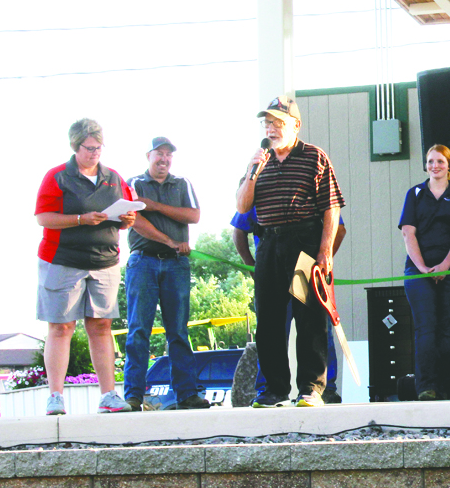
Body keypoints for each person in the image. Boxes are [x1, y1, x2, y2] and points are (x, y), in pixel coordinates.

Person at [235, 95, 345, 408]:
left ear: (295, 125)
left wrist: (325, 252)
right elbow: (243, 206)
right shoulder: (259, 161)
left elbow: (331, 208)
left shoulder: (314, 157)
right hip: (269, 245)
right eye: (267, 123)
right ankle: (274, 389)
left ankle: (311, 388)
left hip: (302, 245)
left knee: (307, 317)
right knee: (268, 322)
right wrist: (253, 171)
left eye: (277, 123)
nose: (271, 128)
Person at [34, 119, 137, 415]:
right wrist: (80, 219)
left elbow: (128, 210)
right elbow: (44, 217)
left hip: (104, 261)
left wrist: (127, 219)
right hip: (62, 260)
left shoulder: (114, 177)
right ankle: (55, 396)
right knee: (62, 327)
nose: (94, 153)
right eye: (89, 148)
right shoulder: (56, 177)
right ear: (75, 146)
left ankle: (108, 395)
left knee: (101, 325)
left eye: (98, 148)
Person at [123, 136, 208, 411]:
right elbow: (135, 220)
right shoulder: (133, 183)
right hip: (143, 263)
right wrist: (170, 240)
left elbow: (194, 216)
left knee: (179, 331)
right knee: (138, 331)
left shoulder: (182, 183)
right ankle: (133, 396)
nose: (164, 159)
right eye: (159, 154)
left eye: (168, 155)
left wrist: (156, 206)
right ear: (148, 156)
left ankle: (186, 395)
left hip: (176, 265)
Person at [231, 207, 348, 403]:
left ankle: (322, 389)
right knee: (272, 330)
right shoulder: (260, 183)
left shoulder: (311, 180)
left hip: (303, 266)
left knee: (314, 328)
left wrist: (323, 258)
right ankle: (270, 389)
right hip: (272, 266)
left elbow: (339, 227)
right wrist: (251, 264)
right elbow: (238, 228)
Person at [398, 145, 450, 401]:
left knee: (448, 328)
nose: (435, 166)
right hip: (419, 272)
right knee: (425, 329)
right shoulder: (415, 193)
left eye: (440, 161)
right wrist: (422, 269)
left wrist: (444, 266)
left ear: (448, 165)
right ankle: (426, 387)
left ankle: (446, 386)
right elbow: (408, 232)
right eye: (430, 161)